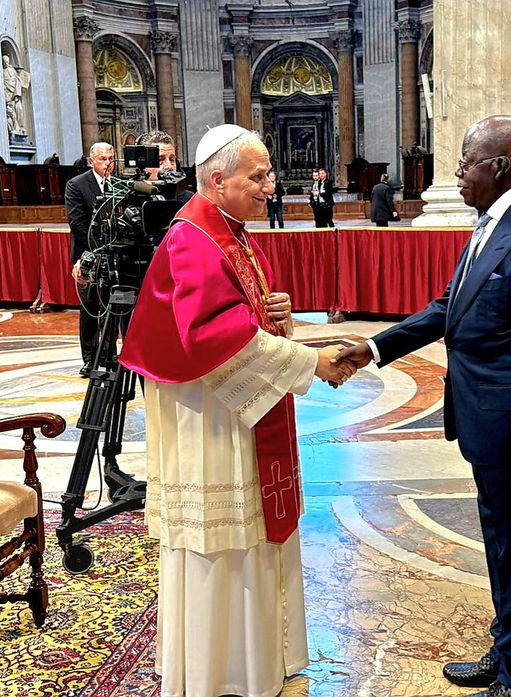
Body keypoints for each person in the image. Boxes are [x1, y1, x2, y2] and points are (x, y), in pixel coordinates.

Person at [334, 115, 511, 697]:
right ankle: (508, 647)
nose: (459, 174)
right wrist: (373, 348)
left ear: (496, 167)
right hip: (486, 426)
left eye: (466, 163)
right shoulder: (495, 221)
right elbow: (451, 306)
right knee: (502, 543)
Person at [118, 124, 355, 697]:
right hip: (210, 416)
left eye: (269, 173)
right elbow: (209, 337)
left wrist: (277, 315)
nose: (271, 186)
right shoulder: (193, 239)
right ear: (217, 180)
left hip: (233, 412)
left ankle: (256, 659)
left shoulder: (230, 231)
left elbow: (240, 319)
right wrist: (309, 360)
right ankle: (220, 669)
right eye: (258, 175)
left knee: (250, 534)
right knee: (223, 541)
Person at [64, 142, 116, 377]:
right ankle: (90, 358)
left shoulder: (118, 184)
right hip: (88, 257)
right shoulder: (76, 185)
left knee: (111, 307)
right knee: (90, 308)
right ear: (92, 161)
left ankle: (109, 354)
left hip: (114, 257)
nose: (108, 163)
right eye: (103, 159)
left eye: (111, 158)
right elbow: (77, 223)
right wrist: (97, 249)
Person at [136, 129, 194, 205]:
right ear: (142, 167)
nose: (169, 166)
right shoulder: (133, 199)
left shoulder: (189, 200)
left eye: (172, 159)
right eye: (160, 160)